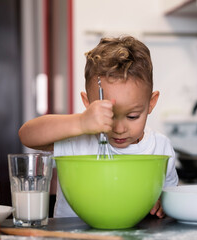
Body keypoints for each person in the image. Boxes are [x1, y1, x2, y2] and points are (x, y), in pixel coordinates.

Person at [19, 35, 178, 218]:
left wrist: (162, 204)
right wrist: (80, 122)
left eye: (132, 116)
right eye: (109, 114)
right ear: (88, 103)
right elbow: (26, 135)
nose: (118, 128)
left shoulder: (161, 148)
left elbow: (170, 199)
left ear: (151, 103)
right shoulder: (77, 140)